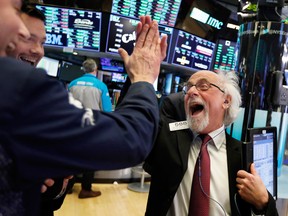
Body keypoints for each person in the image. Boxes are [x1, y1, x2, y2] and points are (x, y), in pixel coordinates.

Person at [0, 0, 168, 215]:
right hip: (90, 134)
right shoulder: (20, 85)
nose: (38, 50)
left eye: (42, 42)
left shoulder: (71, 84)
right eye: (14, 9)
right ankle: (86, 188)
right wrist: (144, 77)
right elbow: (128, 137)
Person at [143, 70, 278, 215]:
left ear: (226, 101)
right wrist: (140, 79)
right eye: (188, 88)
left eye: (203, 86)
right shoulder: (167, 136)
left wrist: (263, 202)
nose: (192, 92)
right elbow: (132, 127)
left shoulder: (242, 156)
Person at [6, 4, 76, 216]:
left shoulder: (43, 104)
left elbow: (53, 199)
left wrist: (58, 183)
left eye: (42, 43)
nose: (38, 50)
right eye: (28, 38)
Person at [68, 58, 112, 199]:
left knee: (72, 156)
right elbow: (107, 110)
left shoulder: (72, 84)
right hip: (91, 128)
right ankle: (85, 189)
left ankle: (68, 187)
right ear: (95, 69)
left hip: (73, 126)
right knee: (89, 158)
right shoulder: (101, 86)